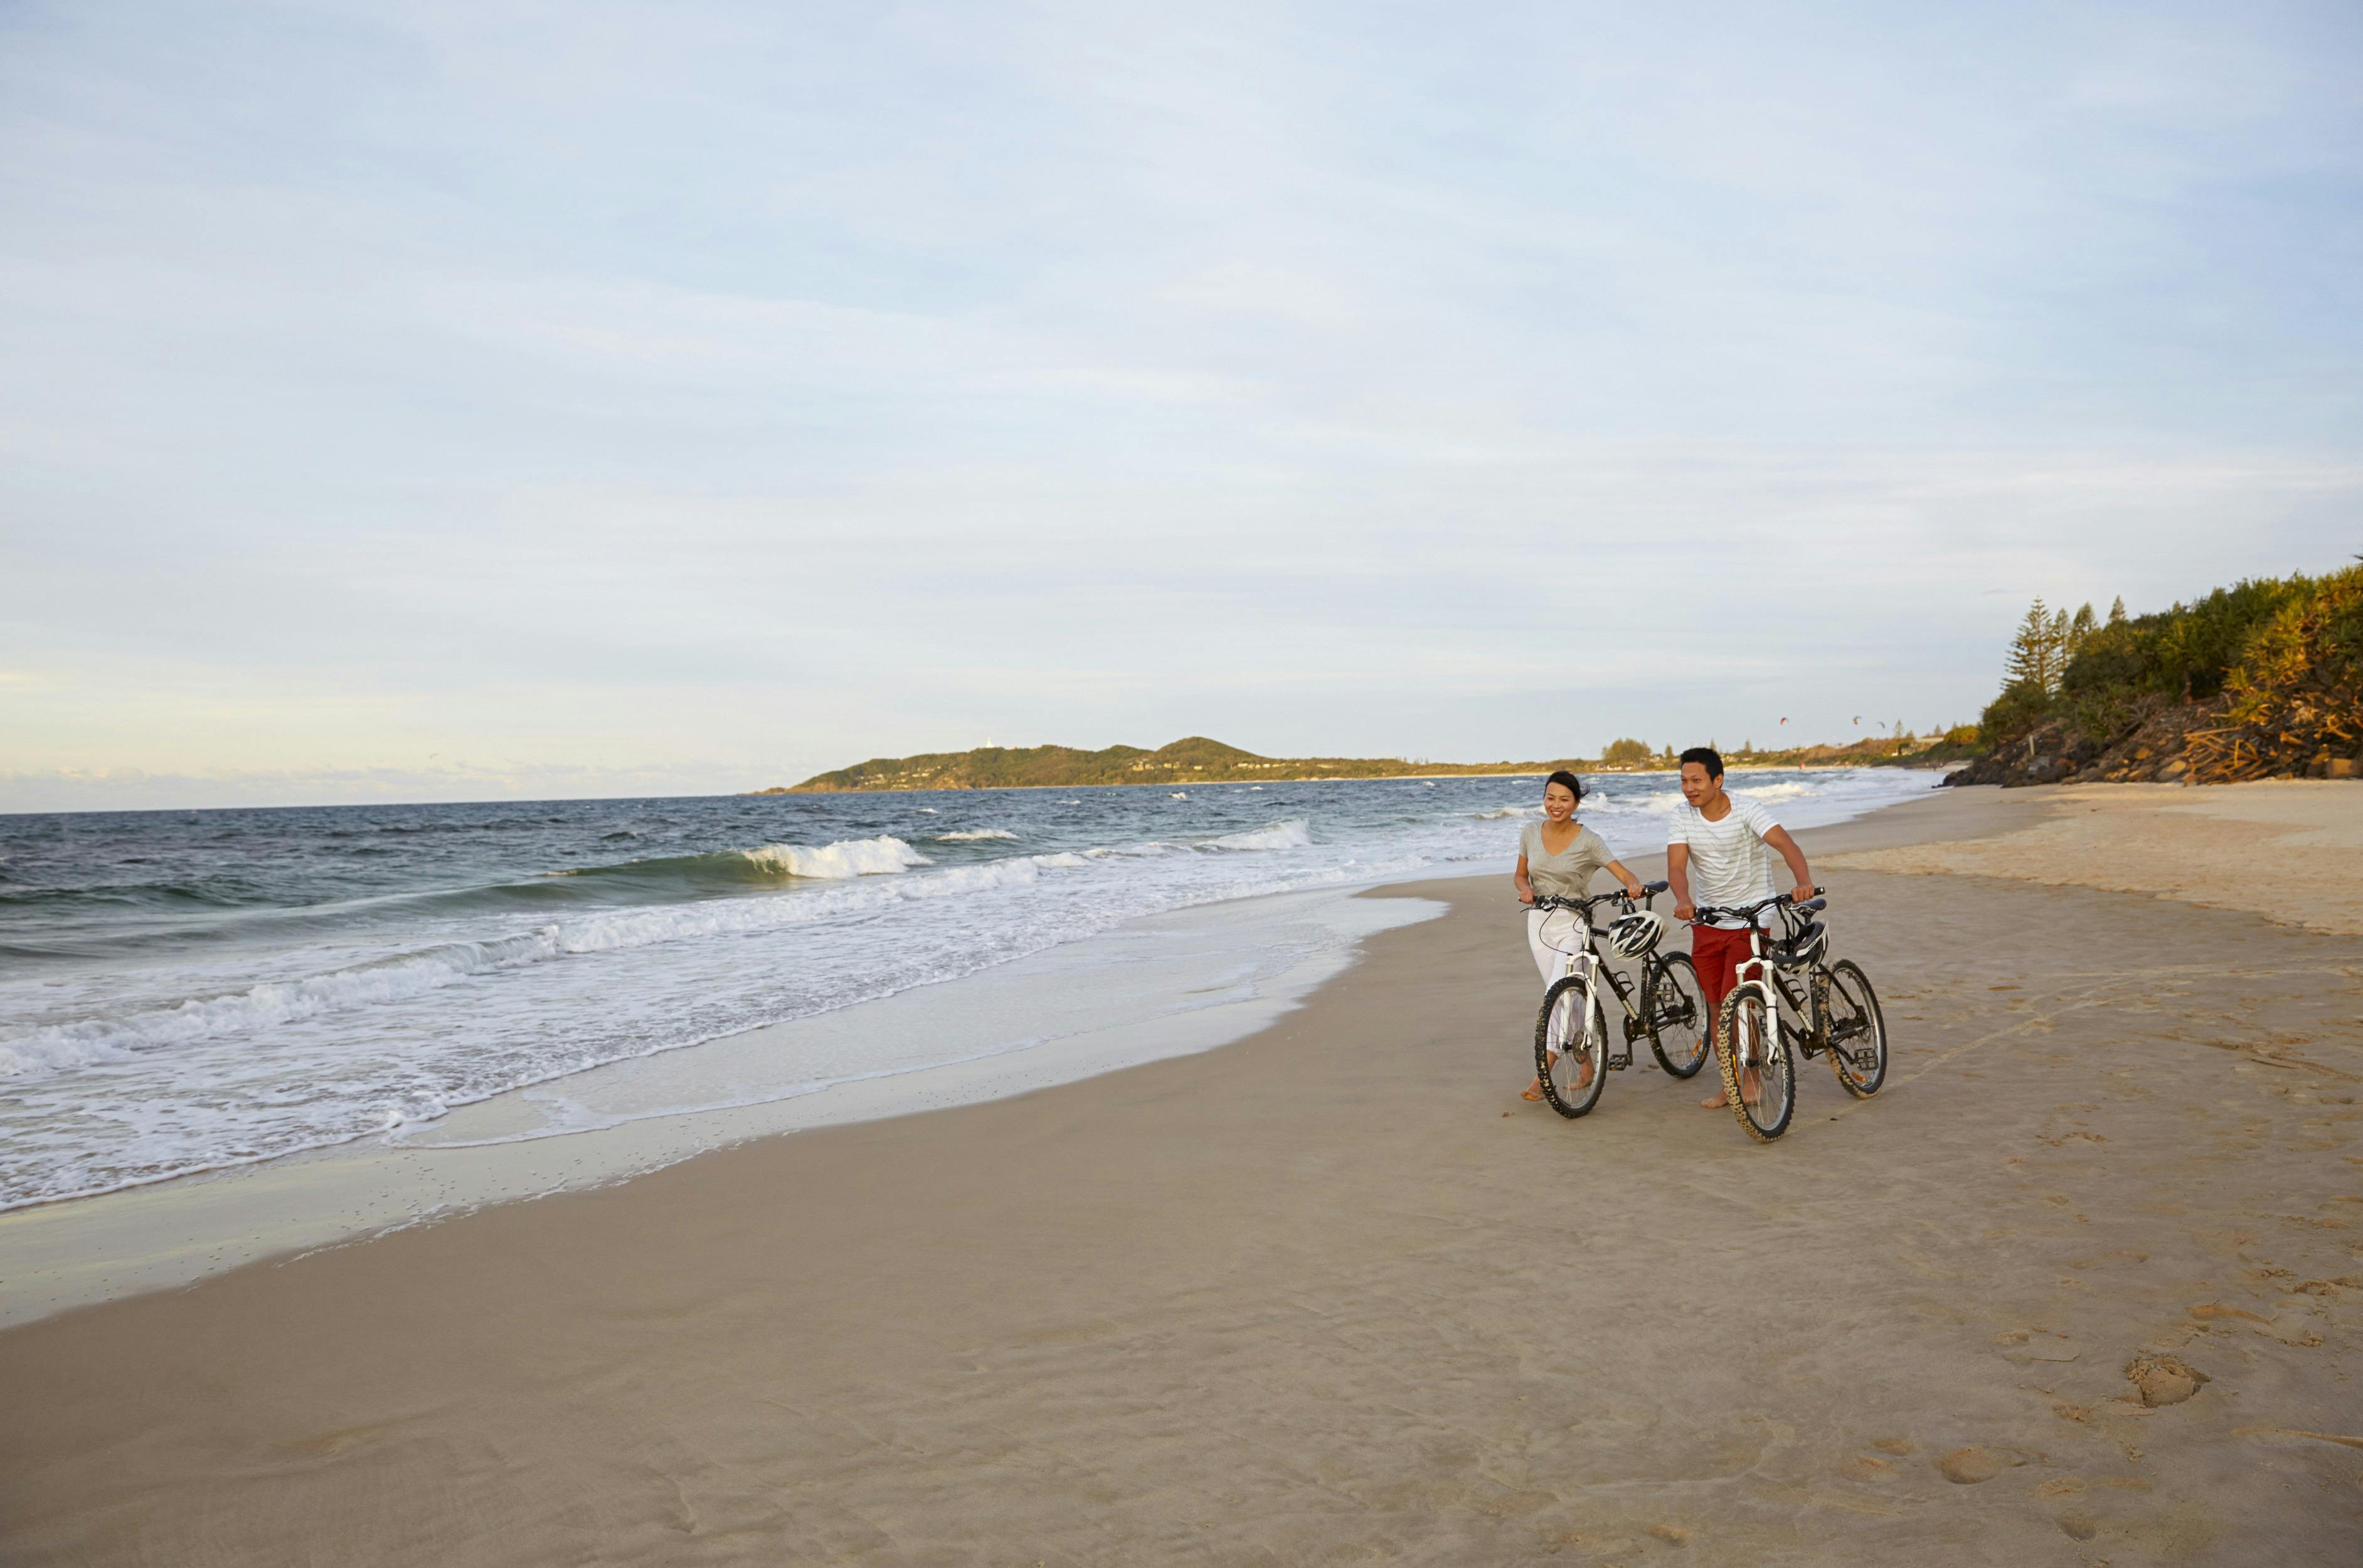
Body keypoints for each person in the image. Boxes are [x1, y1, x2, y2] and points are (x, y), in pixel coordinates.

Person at [1664, 747, 1819, 1109]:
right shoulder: (1681, 816)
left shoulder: (1747, 809)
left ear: (1718, 780)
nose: (1689, 788)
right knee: (1717, 1007)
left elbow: (1786, 844)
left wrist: (1803, 881)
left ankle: (1751, 1082)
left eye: (1696, 780)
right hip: (1709, 919)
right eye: (1684, 781)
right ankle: (1731, 1082)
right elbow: (1676, 867)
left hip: (1752, 918)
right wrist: (1684, 899)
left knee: (1739, 1004)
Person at [1514, 770, 1647, 1101]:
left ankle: (1545, 1069)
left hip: (1575, 921)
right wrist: (1525, 890)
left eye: (1564, 799)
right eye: (1550, 798)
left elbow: (1620, 870)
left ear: (1575, 802)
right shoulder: (1531, 832)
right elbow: (1519, 876)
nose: (1556, 805)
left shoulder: (1588, 839)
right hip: (1539, 922)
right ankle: (1587, 1067)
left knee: (1556, 995)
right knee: (1566, 997)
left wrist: (1632, 884)